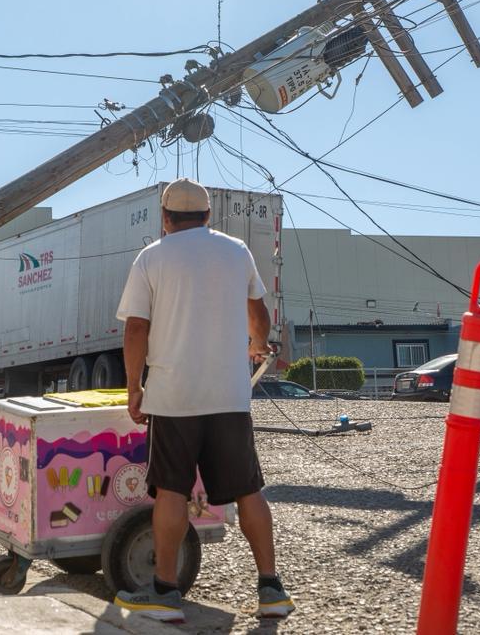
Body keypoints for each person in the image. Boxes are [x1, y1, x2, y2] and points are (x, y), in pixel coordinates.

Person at [112, 178, 293, 624]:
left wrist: (134, 386)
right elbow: (258, 314)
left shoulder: (151, 257)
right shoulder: (236, 251)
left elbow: (136, 328)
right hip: (230, 394)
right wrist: (257, 344)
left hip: (175, 395)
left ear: (166, 218)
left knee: (171, 490)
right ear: (209, 216)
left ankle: (165, 592)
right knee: (248, 488)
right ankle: (270, 589)